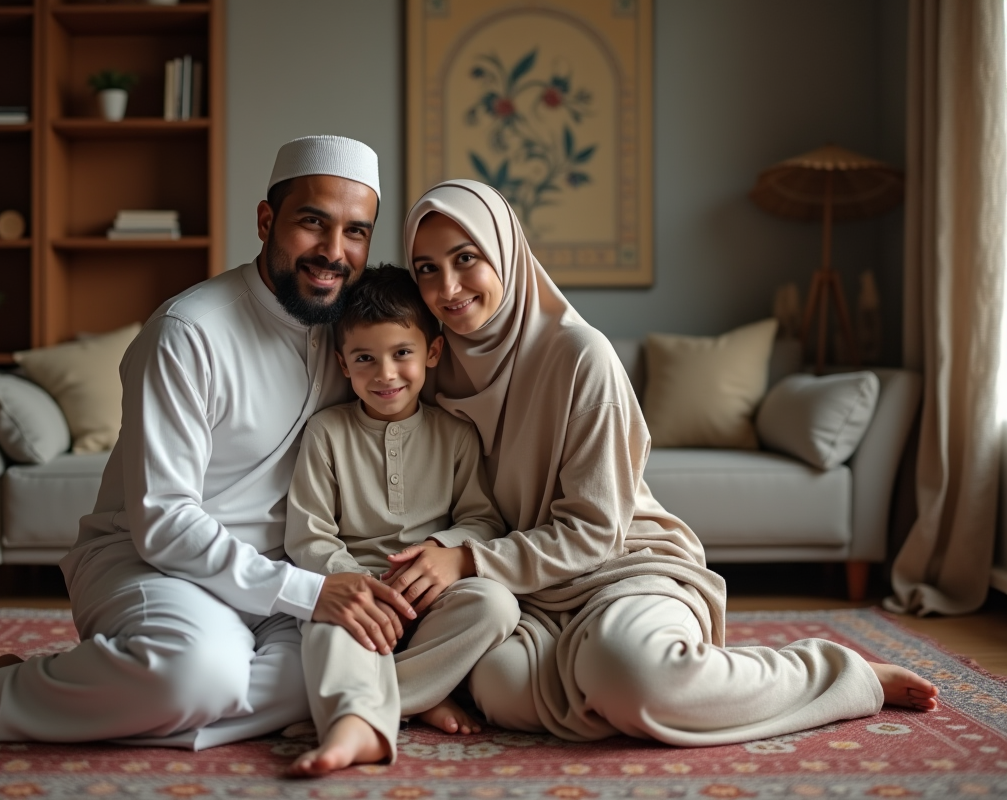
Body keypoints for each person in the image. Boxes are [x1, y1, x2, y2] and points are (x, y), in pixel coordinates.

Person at [0, 135, 420, 750]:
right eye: (312, 223)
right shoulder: (188, 332)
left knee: (343, 672)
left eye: (356, 233)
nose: (333, 252)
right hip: (154, 562)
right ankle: (6, 688)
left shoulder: (356, 337)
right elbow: (163, 521)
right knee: (198, 674)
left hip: (280, 576)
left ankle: (132, 695)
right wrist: (311, 593)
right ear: (267, 221)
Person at [385, 178, 939, 746]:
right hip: (519, 595)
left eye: (466, 258)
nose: (447, 287)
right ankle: (657, 681)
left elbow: (594, 533)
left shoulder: (580, 357)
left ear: (505, 250)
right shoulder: (424, 367)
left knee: (637, 679)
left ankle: (830, 673)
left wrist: (466, 560)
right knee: (501, 687)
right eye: (425, 269)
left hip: (617, 569)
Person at [283, 266, 519, 776]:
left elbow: (482, 520)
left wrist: (442, 551)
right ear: (343, 365)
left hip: (430, 595)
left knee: (497, 606)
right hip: (355, 591)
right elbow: (308, 532)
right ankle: (394, 709)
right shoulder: (326, 432)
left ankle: (383, 704)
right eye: (365, 358)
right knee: (325, 628)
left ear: (432, 353)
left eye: (402, 354)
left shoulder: (455, 434)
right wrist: (357, 583)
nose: (385, 374)